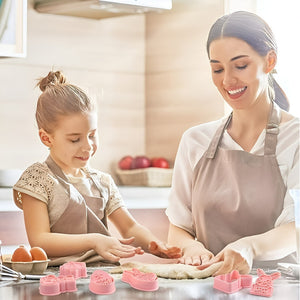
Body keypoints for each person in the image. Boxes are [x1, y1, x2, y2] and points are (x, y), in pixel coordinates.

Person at [166, 11, 299, 275]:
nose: (227, 81)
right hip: (207, 286)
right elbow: (178, 228)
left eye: (240, 66)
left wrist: (250, 248)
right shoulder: (195, 140)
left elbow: (294, 229)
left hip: (278, 287)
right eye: (217, 69)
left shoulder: (295, 138)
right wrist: (190, 248)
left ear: (269, 60)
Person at [13, 70, 181, 266]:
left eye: (92, 135)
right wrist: (94, 241)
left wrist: (155, 244)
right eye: (75, 139)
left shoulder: (102, 182)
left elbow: (130, 227)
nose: (88, 146)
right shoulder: (38, 180)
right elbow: (40, 240)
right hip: (58, 279)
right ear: (46, 138)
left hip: (103, 275)